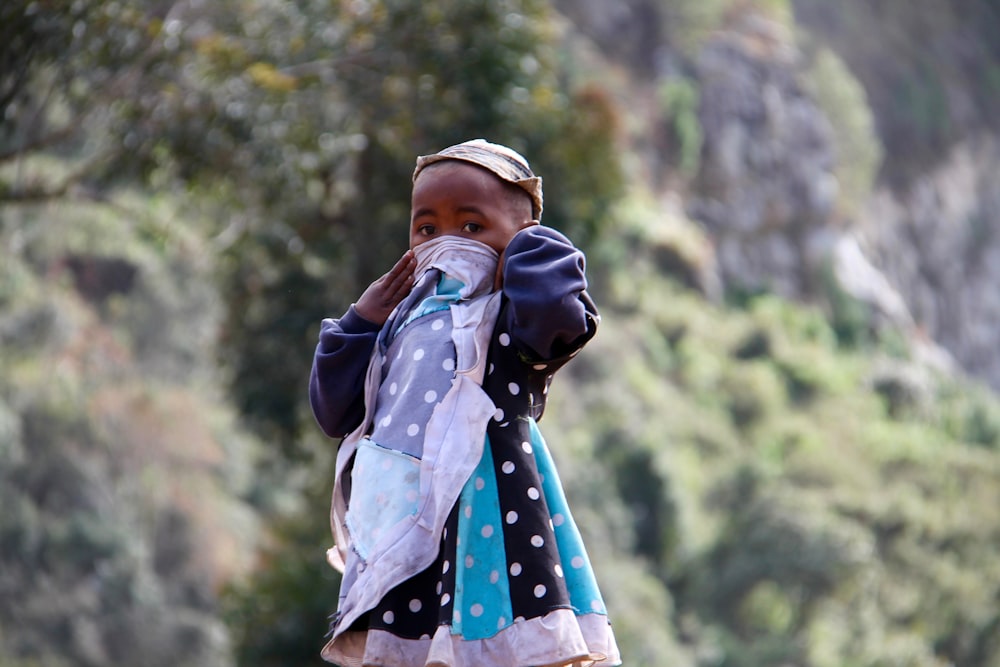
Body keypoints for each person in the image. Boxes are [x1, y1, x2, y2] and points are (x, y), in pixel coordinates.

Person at [309, 139, 621, 667]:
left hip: (490, 513)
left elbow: (560, 318)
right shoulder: (395, 327)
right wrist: (361, 323)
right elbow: (335, 412)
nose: (448, 243)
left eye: (473, 227)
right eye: (427, 229)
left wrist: (526, 250)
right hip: (401, 516)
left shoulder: (510, 314)